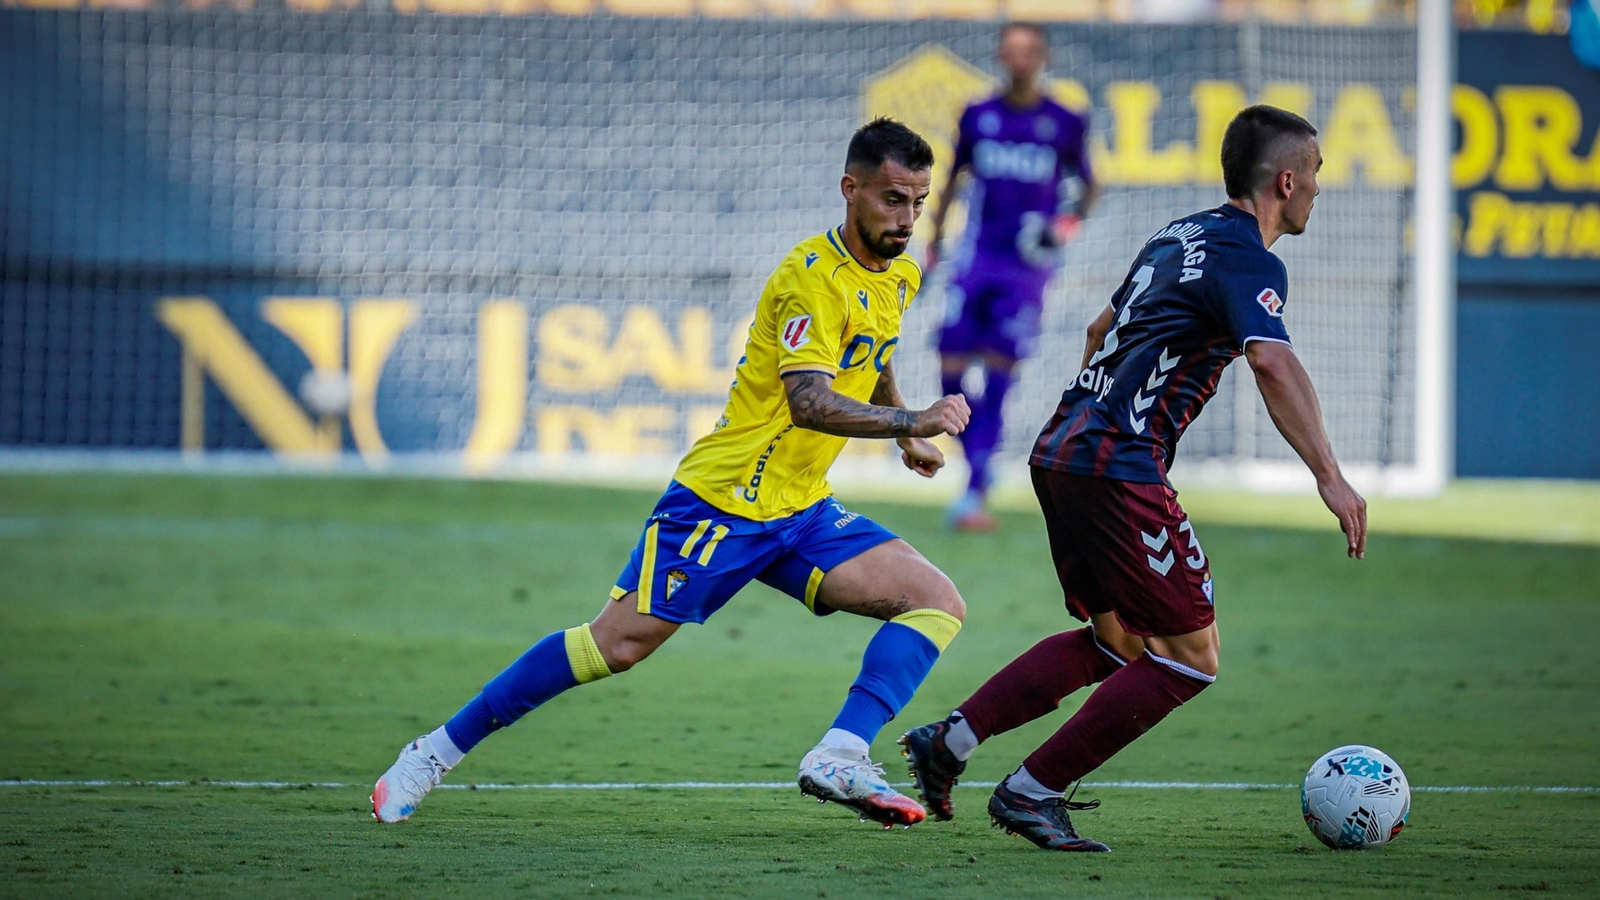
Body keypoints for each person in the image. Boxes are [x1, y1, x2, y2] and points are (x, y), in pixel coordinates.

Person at [372, 118, 973, 830]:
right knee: (613, 646)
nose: (906, 218)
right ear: (851, 190)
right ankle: (433, 753)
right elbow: (808, 401)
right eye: (892, 199)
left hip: (801, 508)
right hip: (723, 502)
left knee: (935, 600)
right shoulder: (810, 278)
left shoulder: (900, 273)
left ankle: (839, 752)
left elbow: (869, 352)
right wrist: (914, 422)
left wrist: (902, 426)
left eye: (918, 202)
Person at [900, 105, 1368, 851]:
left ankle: (951, 741)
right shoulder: (1251, 257)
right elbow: (1272, 360)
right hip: (1117, 462)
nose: (1318, 187)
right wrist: (1331, 477)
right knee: (1191, 657)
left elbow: (1096, 331)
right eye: (1314, 173)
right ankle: (1031, 791)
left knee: (1120, 640)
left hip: (1065, 443)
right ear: (1286, 179)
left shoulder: (1177, 234)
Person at [925, 22, 1100, 531]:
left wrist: (1060, 229)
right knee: (950, 366)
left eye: (1028, 52)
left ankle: (976, 482)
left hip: (1025, 270)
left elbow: (1088, 188)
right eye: (1011, 51)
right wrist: (935, 246)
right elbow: (953, 182)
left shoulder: (1065, 120)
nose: (1018, 60)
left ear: (1043, 57)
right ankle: (980, 462)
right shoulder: (978, 116)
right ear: (1001, 57)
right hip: (974, 258)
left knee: (999, 373)